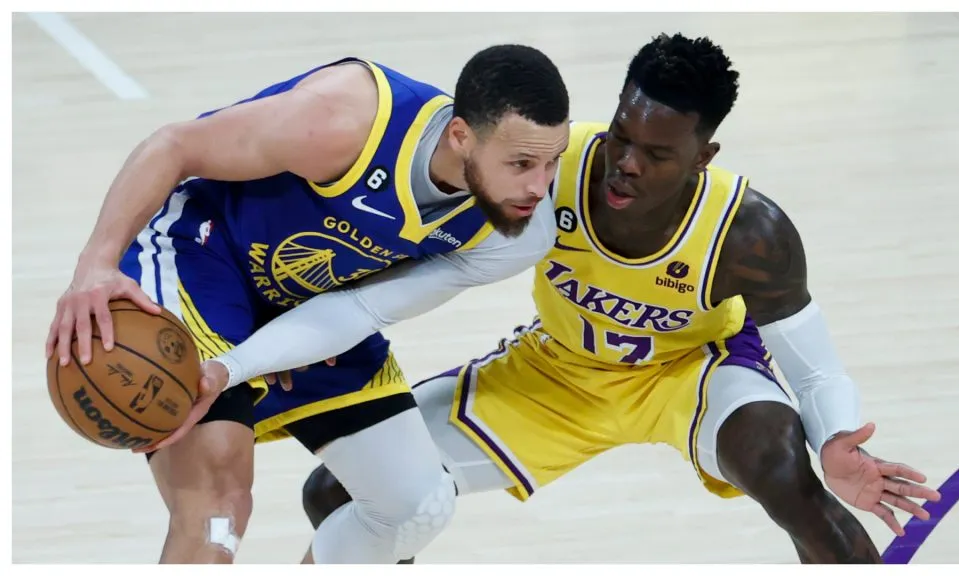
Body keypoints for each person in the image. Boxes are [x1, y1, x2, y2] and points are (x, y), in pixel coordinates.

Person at [294, 34, 943, 563]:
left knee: (784, 474)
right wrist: (327, 317)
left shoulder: (749, 233)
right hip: (556, 370)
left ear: (703, 156)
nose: (626, 162)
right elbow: (421, 239)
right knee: (340, 491)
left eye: (656, 153)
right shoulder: (550, 164)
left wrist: (834, 439)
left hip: (692, 372)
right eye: (622, 135)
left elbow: (816, 369)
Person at [44, 44, 570, 564]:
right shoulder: (347, 118)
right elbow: (173, 145)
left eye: (553, 161)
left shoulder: (519, 234)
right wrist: (96, 265)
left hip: (314, 301)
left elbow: (360, 312)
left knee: (413, 507)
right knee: (217, 507)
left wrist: (240, 364)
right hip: (205, 254)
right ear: (460, 136)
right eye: (521, 163)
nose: (538, 186)